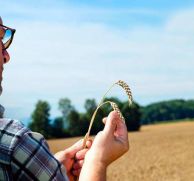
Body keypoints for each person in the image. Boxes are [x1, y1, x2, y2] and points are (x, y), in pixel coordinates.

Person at [0, 16, 129, 181]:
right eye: (0, 36)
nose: (7, 55)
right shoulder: (14, 144)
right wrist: (97, 162)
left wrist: (51, 169)